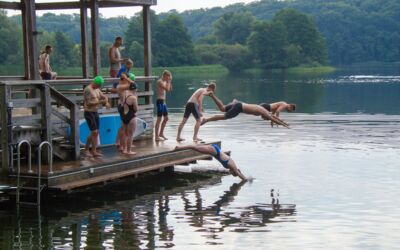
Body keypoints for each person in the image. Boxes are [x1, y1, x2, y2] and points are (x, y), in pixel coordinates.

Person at [201, 93, 289, 127]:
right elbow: (273, 118)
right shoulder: (264, 112)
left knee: (222, 108)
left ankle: (212, 95)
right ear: (266, 116)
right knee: (224, 116)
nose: (264, 119)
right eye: (265, 118)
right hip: (239, 107)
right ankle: (206, 120)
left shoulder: (264, 111)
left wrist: (284, 123)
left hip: (240, 104)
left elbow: (274, 117)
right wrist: (284, 125)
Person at [174, 144, 247, 181]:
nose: (231, 173)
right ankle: (179, 147)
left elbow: (239, 173)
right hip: (214, 151)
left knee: (196, 147)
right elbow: (240, 175)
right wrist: (247, 180)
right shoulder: (233, 167)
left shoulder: (233, 166)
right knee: (194, 147)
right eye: (232, 174)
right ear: (234, 172)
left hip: (215, 150)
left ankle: (180, 147)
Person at [83, 76, 111, 157]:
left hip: (95, 112)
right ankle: (86, 150)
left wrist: (106, 102)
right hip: (89, 112)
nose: (100, 87)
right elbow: (88, 103)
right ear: (95, 83)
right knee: (94, 132)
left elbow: (104, 96)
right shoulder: (88, 89)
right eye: (99, 85)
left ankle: (94, 151)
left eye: (100, 86)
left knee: (96, 132)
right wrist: (100, 102)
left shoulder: (97, 89)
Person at [114, 72, 136, 151]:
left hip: (122, 105)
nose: (129, 80)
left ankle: (122, 145)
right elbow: (134, 85)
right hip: (123, 107)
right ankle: (122, 146)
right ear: (125, 79)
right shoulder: (121, 86)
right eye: (127, 78)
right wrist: (128, 79)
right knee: (124, 128)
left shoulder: (122, 85)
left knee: (124, 127)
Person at [155, 70, 172, 141]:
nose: (168, 78)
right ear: (164, 75)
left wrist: (169, 82)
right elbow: (167, 89)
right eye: (168, 77)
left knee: (166, 118)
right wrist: (168, 82)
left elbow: (170, 89)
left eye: (169, 77)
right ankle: (156, 137)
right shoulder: (160, 81)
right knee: (159, 119)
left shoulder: (165, 82)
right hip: (159, 101)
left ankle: (161, 133)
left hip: (163, 102)